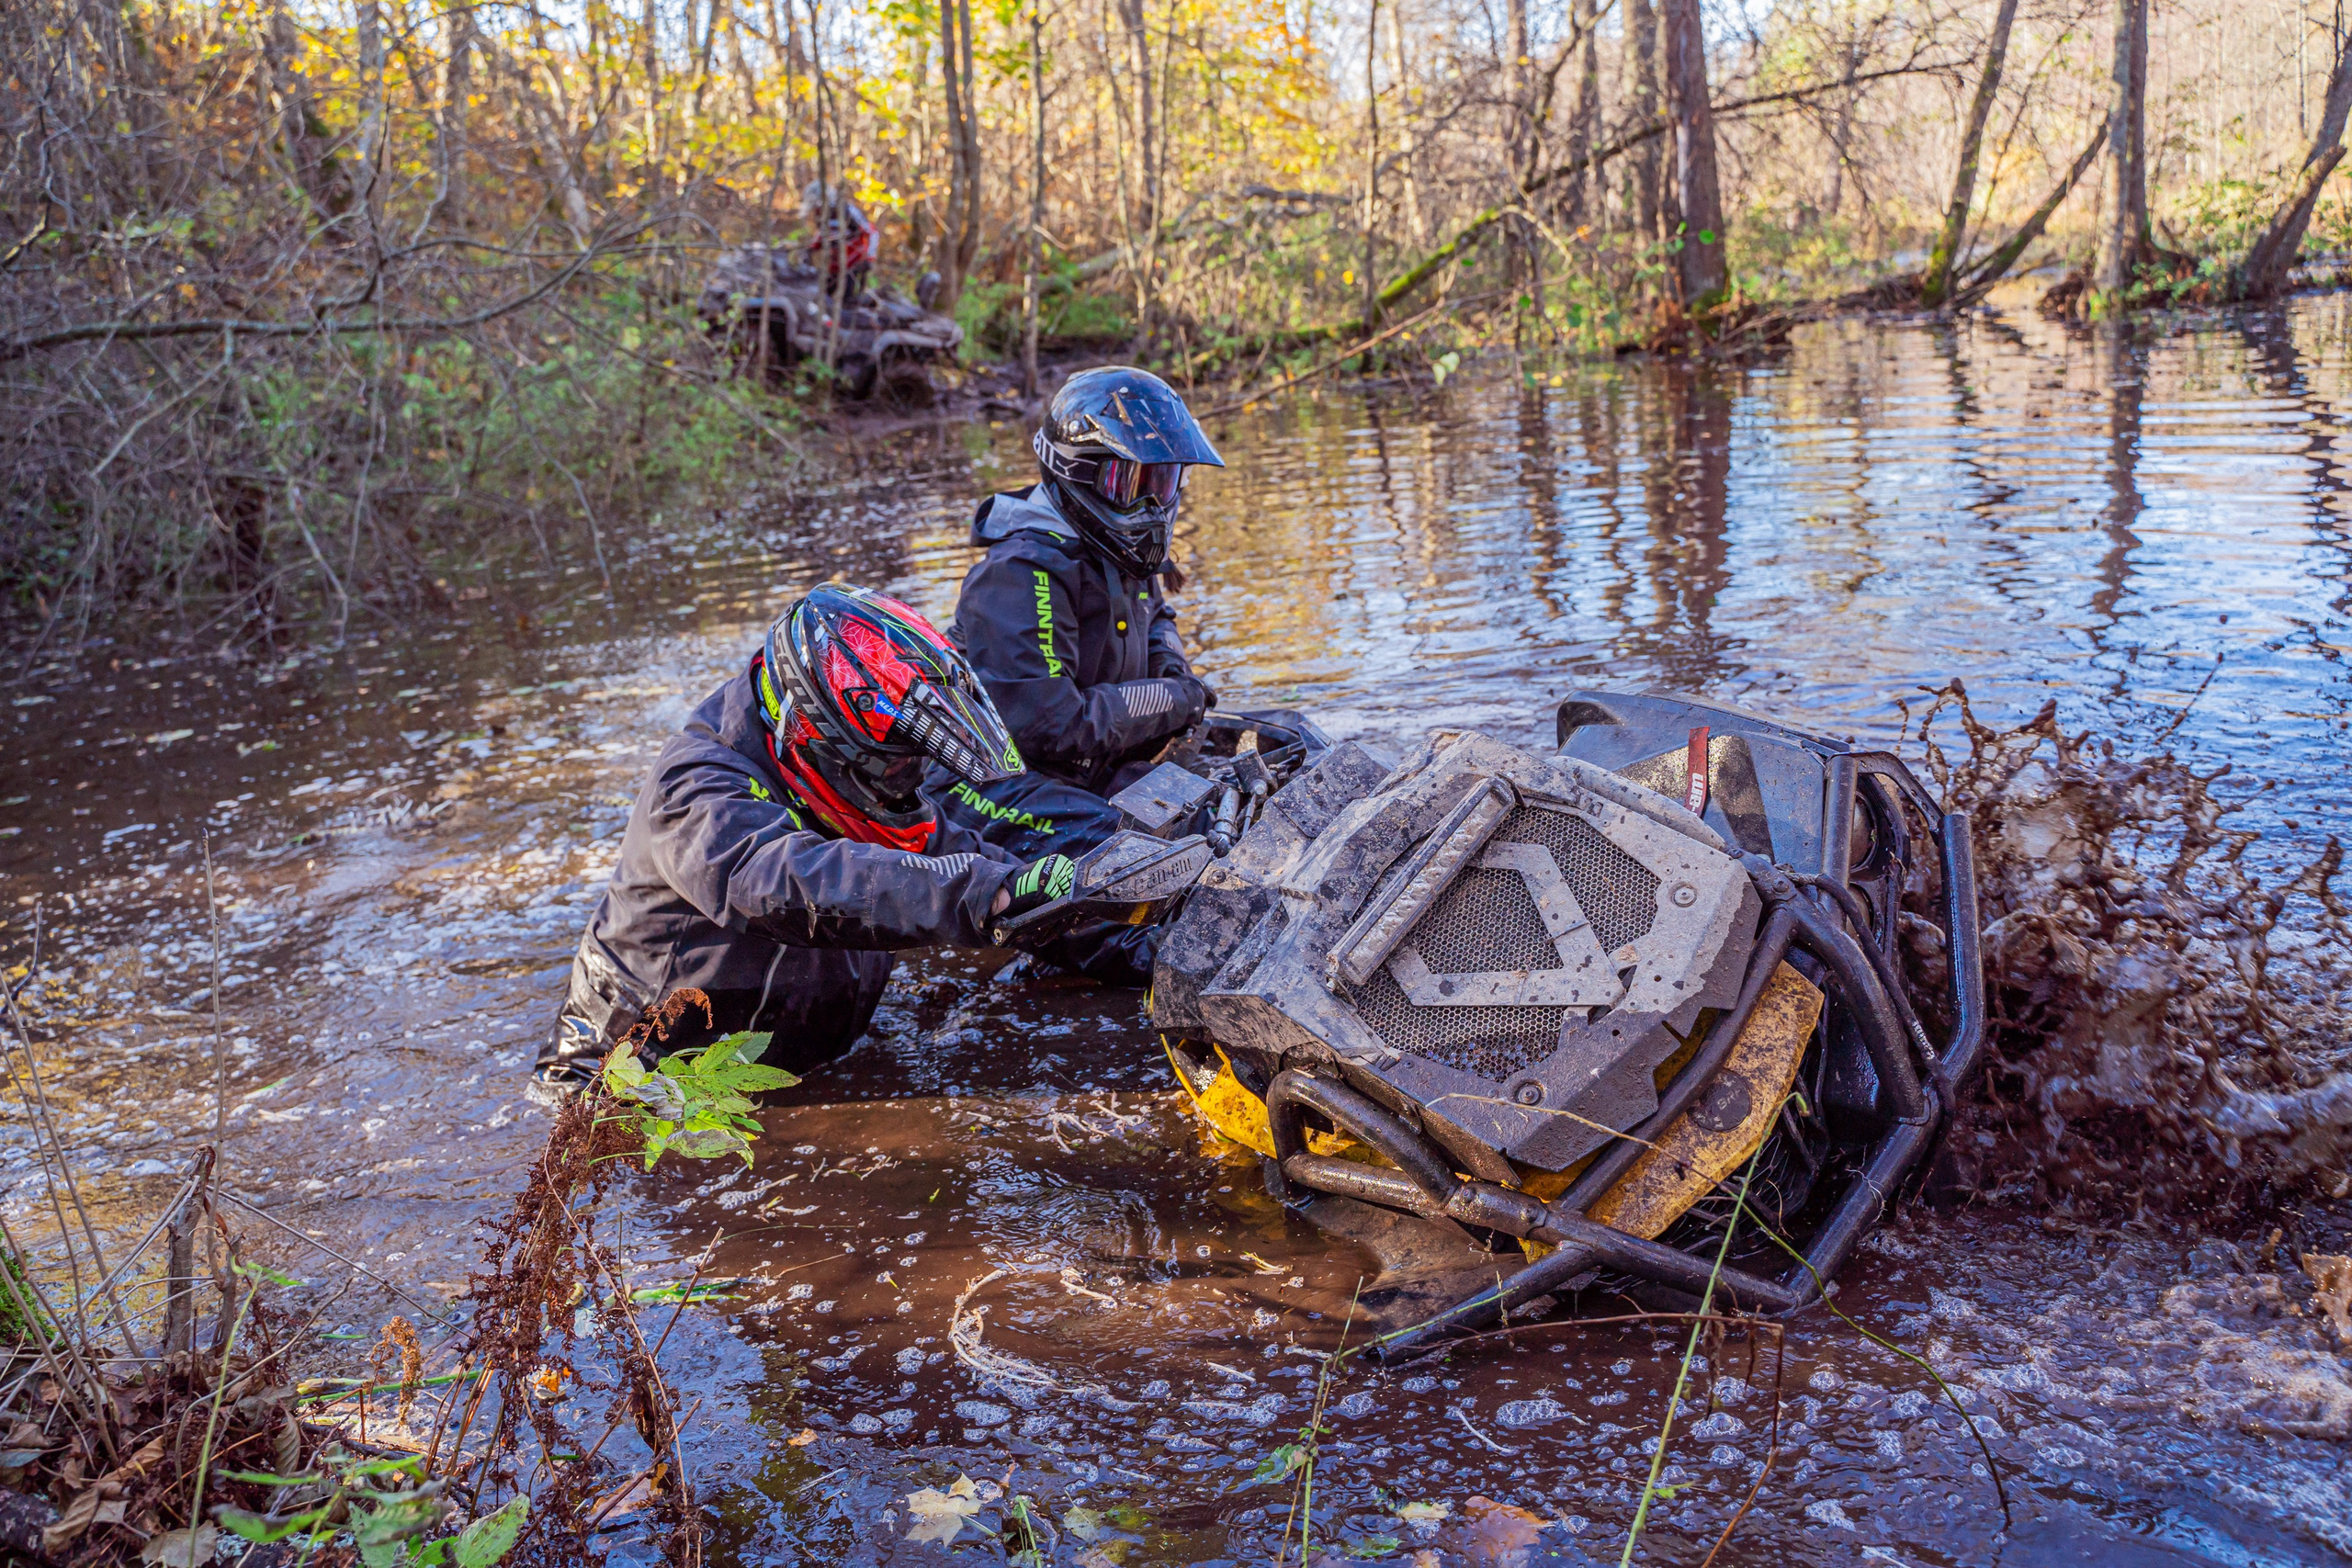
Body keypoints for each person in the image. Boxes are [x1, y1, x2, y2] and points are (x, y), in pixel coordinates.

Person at [533, 585, 1076, 1100]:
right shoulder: (695, 788)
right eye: (895, 764)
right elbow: (782, 879)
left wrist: (1100, 903)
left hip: (798, 1068)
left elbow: (975, 865)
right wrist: (980, 893)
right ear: (819, 735)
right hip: (630, 1089)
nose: (908, 782)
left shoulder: (863, 793)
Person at [931, 367, 1224, 982]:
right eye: (1132, 482)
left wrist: (1173, 672)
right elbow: (1049, 723)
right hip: (983, 787)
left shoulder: (1122, 546)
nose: (1150, 501)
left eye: (1163, 482)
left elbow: (1157, 620)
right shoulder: (1021, 571)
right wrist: (1174, 698)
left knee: (1238, 791)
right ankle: (1175, 967)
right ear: (1079, 474)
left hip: (1078, 772)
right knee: (1133, 858)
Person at [799, 180, 876, 302]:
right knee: (825, 299)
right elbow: (822, 235)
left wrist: (869, 258)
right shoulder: (820, 215)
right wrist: (809, 250)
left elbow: (871, 232)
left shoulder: (846, 211)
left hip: (853, 264)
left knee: (848, 301)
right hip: (833, 265)